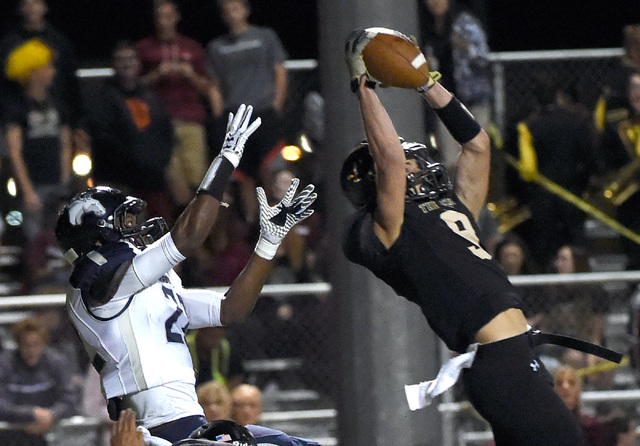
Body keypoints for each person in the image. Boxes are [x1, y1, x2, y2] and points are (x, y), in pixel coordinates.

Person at [341, 27, 621, 445]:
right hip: (502, 361)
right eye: (413, 160)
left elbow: (476, 145)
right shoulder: (391, 228)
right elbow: (391, 162)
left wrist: (428, 86)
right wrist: (364, 88)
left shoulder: (451, 212)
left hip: (512, 356)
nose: (422, 164)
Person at [55, 104, 317, 444]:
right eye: (125, 223)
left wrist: (268, 243)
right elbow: (188, 238)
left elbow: (229, 309)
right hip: (153, 431)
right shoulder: (96, 284)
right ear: (98, 237)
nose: (136, 229)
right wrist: (226, 158)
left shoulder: (147, 283)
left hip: (190, 422)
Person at [206, 0, 289, 222]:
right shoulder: (217, 47)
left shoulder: (265, 37)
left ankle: (277, 221)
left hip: (264, 111)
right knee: (241, 176)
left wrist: (275, 105)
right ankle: (252, 224)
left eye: (235, 8)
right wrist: (219, 117)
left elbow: (279, 71)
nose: (231, 14)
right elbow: (214, 84)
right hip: (235, 117)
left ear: (245, 10)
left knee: (272, 168)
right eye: (226, 11)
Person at [83, 40, 175, 223]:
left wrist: (159, 162)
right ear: (113, 64)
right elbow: (104, 138)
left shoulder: (151, 95)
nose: (127, 63)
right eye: (121, 59)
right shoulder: (101, 97)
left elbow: (166, 131)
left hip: (153, 181)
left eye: (131, 58)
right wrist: (138, 162)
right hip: (119, 182)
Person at [513, 73, 599, 268]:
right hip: (573, 191)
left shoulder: (529, 125)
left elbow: (527, 169)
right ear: (558, 95)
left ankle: (549, 286)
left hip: (542, 197)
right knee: (576, 241)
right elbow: (590, 158)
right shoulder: (577, 121)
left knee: (546, 246)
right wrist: (587, 184)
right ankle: (582, 281)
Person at [136, 0, 212, 210]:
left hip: (190, 119)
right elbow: (134, 86)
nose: (164, 21)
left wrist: (191, 76)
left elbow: (207, 86)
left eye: (168, 16)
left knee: (197, 177)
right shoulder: (144, 49)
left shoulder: (192, 47)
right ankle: (179, 225)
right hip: (160, 123)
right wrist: (156, 75)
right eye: (160, 17)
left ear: (176, 18)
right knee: (172, 177)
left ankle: (197, 231)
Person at [3, 38, 72, 241]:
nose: (53, 72)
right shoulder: (16, 109)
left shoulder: (58, 104)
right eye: (48, 66)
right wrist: (27, 191)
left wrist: (65, 182)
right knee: (35, 241)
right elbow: (14, 153)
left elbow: (65, 144)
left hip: (57, 185)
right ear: (33, 71)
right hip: (34, 185)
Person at [420, 0, 492, 170]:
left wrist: (464, 46)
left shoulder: (465, 23)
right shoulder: (427, 27)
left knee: (478, 153)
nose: (435, 3)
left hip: (473, 100)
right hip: (446, 98)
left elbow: (483, 57)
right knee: (450, 159)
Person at [0, 0, 82, 129]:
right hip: (19, 118)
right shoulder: (8, 43)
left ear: (45, 7)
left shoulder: (59, 42)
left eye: (36, 3)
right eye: (26, 4)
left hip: (57, 114)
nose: (31, 8)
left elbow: (70, 82)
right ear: (20, 9)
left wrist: (77, 122)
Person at [0, 317, 77, 446]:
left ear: (44, 343)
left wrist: (51, 415)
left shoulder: (56, 362)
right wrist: (31, 415)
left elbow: (70, 399)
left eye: (36, 344)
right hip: (9, 436)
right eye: (26, 345)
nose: (31, 351)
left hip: (50, 433)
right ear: (18, 344)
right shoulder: (5, 364)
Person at [595, 72, 640, 270]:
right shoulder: (615, 125)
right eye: (634, 88)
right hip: (628, 195)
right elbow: (606, 159)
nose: (638, 93)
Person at [553, 365, 609, 446]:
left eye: (571, 382)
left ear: (579, 388)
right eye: (559, 383)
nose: (565, 387)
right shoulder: (542, 426)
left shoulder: (592, 427)